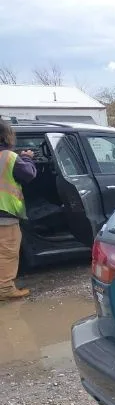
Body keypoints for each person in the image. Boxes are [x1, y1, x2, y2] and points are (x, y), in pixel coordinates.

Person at [0, 119, 37, 300]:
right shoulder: (8, 156)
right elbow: (28, 174)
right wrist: (27, 157)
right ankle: (5, 290)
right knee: (7, 253)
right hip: (4, 215)